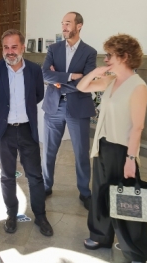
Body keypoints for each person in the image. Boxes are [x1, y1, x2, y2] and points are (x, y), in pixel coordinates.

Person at [76, 34, 147, 263]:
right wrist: (95, 73)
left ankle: (136, 251)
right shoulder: (110, 79)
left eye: (110, 55)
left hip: (123, 150)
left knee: (128, 200)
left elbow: (137, 127)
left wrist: (130, 158)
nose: (106, 58)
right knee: (100, 193)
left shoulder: (138, 87)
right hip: (103, 146)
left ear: (125, 56)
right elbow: (82, 87)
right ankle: (100, 235)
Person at [0, 29, 53, 237]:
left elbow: (38, 95)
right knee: (7, 175)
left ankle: (40, 216)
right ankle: (11, 214)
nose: (10, 52)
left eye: (14, 47)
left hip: (26, 129)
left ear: (22, 47)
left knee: (35, 176)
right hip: (4, 131)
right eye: (6, 47)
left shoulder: (33, 70)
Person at [41, 11, 97, 210]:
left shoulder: (90, 52)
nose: (64, 27)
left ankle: (85, 192)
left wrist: (59, 80)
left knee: (81, 152)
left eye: (68, 23)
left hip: (78, 107)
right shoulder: (53, 49)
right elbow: (45, 73)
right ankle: (46, 185)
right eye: (62, 23)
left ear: (79, 26)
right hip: (53, 107)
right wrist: (71, 76)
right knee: (48, 150)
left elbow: (87, 81)